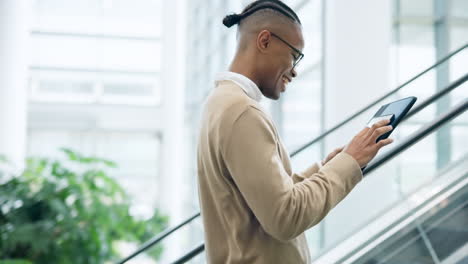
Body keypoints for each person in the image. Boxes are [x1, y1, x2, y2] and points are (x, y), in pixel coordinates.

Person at [196, 0, 394, 263]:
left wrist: (325, 168)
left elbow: (265, 200)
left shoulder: (221, 102)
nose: (295, 70)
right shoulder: (242, 112)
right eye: (294, 55)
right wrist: (350, 162)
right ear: (264, 41)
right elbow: (285, 217)